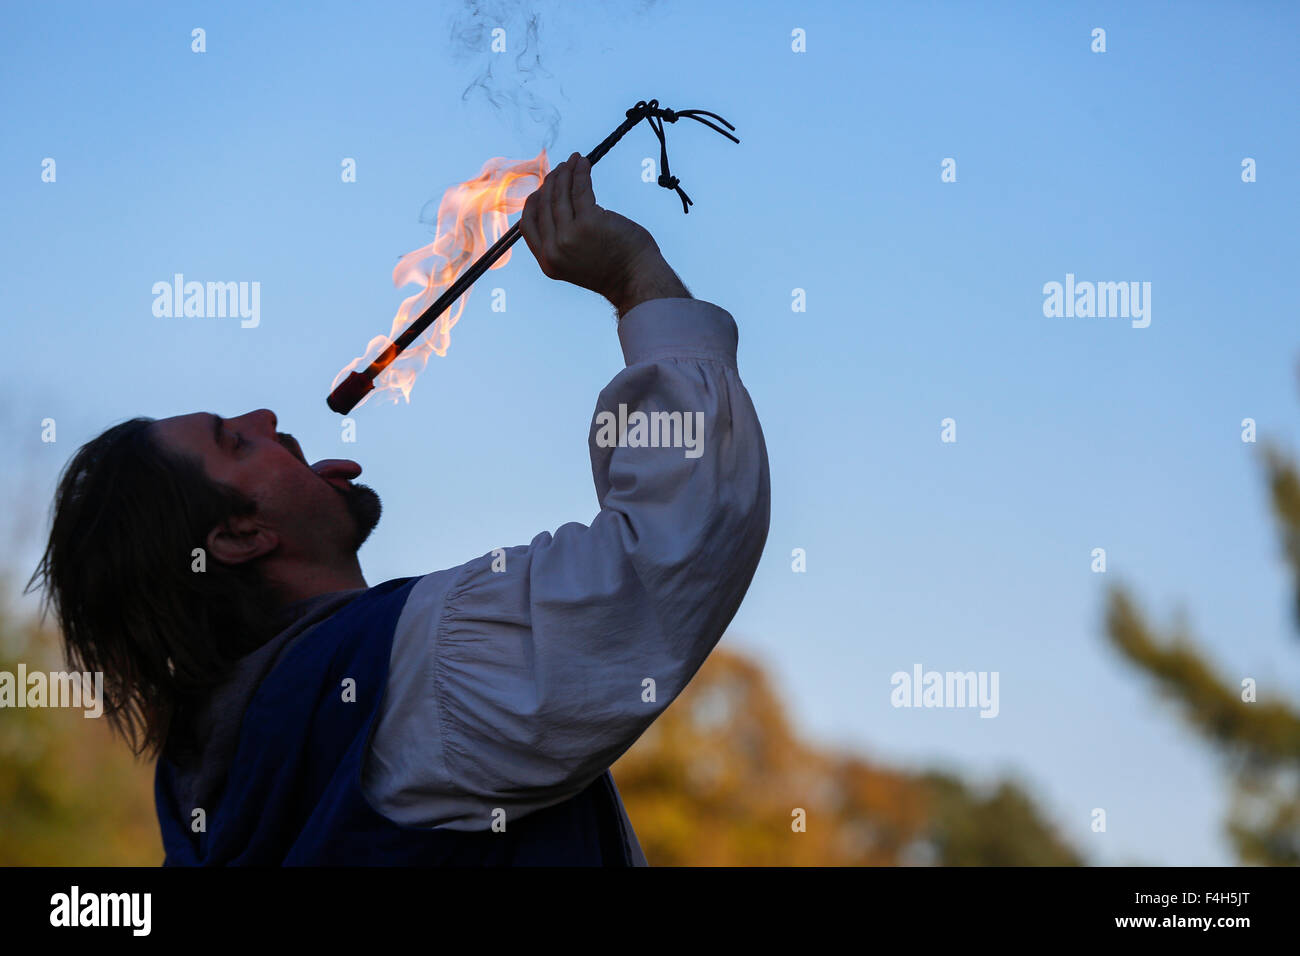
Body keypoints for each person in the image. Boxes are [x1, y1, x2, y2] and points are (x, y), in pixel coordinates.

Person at [28, 152, 770, 865]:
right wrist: (640, 286)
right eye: (236, 443)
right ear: (239, 534)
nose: (264, 417)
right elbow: (663, 555)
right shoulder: (410, 672)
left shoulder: (216, 769)